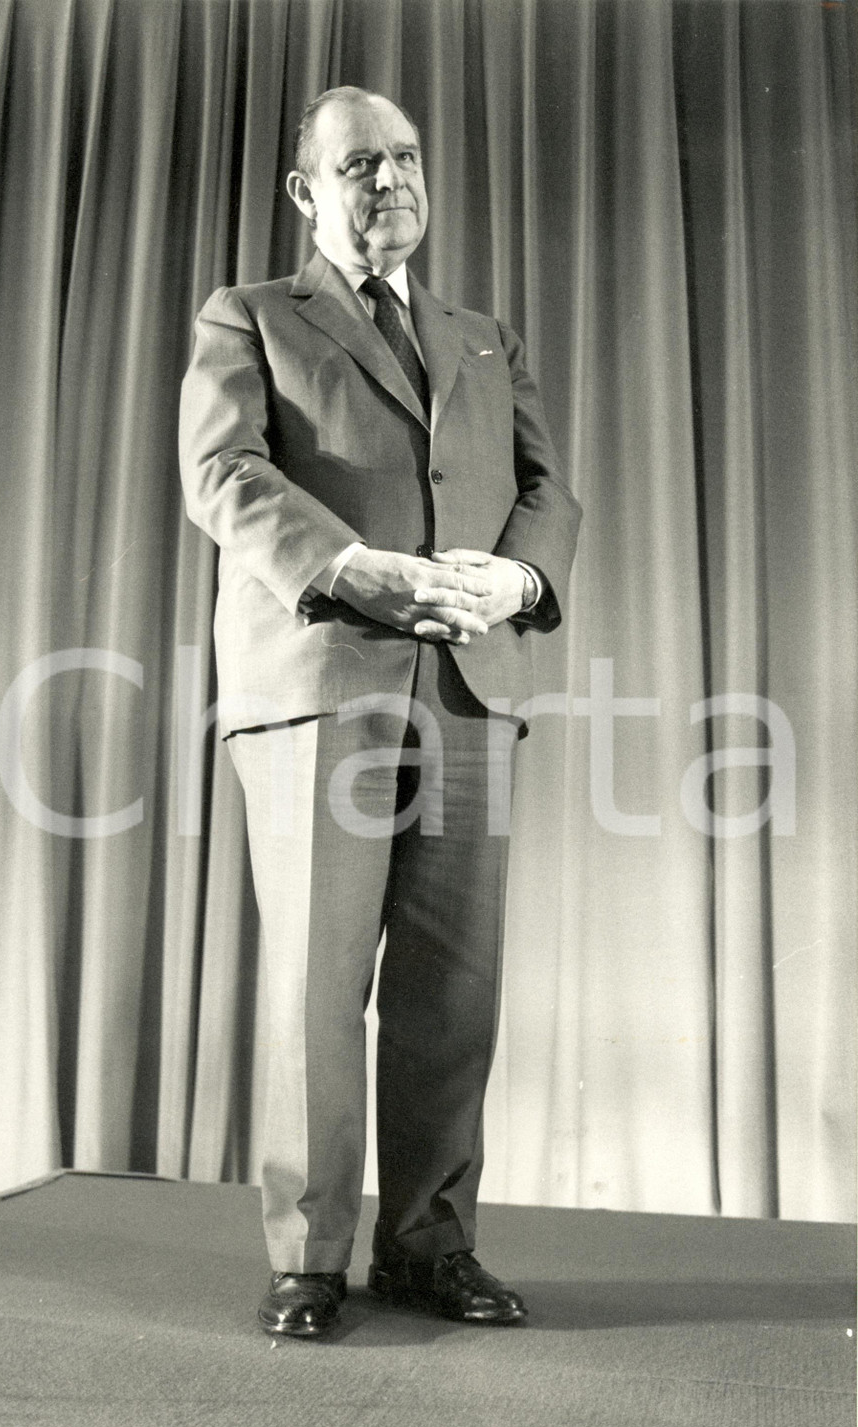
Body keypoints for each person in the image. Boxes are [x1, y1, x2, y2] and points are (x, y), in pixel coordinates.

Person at [179, 86, 581, 1338]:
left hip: (466, 688)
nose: (390, 181)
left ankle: (426, 1247)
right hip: (324, 688)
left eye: (406, 157)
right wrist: (351, 566)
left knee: (452, 992)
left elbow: (542, 488)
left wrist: (519, 576)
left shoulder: (480, 337)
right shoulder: (248, 315)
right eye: (360, 163)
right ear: (307, 192)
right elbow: (224, 473)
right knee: (316, 984)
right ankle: (308, 1257)